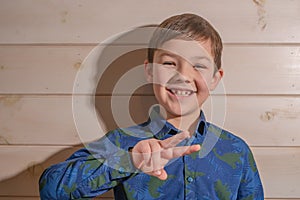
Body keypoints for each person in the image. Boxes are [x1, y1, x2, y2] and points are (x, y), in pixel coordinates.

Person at [39, 13, 264, 199]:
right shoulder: (121, 143)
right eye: (169, 63)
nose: (183, 76)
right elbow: (51, 189)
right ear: (149, 71)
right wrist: (128, 161)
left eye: (198, 65)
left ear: (215, 78)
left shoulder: (237, 151)